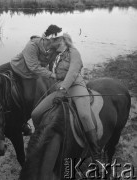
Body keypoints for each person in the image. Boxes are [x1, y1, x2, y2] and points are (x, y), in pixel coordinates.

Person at [32, 33, 102, 163]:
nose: (52, 41)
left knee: (85, 115)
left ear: (63, 41)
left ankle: (95, 152)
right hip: (58, 89)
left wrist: (62, 90)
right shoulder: (53, 54)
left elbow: (73, 72)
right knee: (36, 114)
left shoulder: (73, 52)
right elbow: (40, 61)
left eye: (55, 39)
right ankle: (40, 139)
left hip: (75, 86)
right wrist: (37, 42)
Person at [10, 25, 62, 135]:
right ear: (50, 40)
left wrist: (53, 72)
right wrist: (52, 75)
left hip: (35, 73)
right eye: (58, 39)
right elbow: (33, 67)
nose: (61, 42)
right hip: (22, 71)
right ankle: (23, 123)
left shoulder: (56, 47)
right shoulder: (32, 46)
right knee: (29, 98)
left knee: (45, 93)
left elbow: (51, 62)